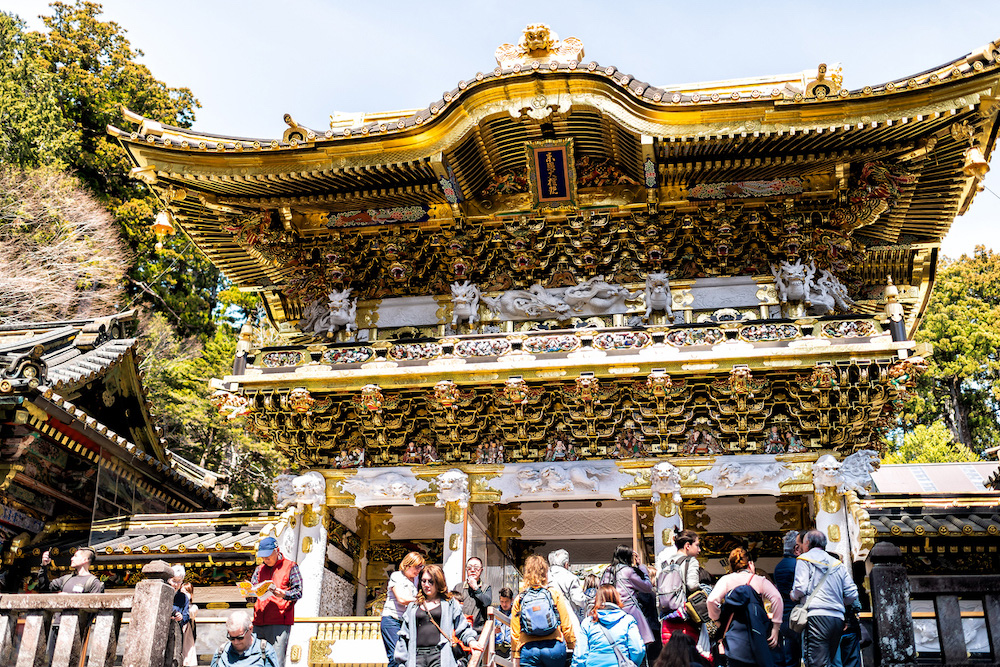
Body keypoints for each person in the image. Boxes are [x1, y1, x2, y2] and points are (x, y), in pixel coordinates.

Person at [791, 530, 859, 667]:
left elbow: (800, 588)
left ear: (807, 543)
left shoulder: (804, 560)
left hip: (817, 617)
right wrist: (840, 603)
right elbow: (852, 593)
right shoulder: (837, 564)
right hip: (837, 618)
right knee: (830, 660)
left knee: (816, 662)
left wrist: (793, 595)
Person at [707, 547, 782, 667]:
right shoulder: (759, 580)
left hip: (734, 640)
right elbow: (777, 598)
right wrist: (776, 627)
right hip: (757, 636)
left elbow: (711, 600)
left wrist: (717, 620)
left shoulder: (726, 580)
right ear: (750, 564)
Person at [395, 564, 480, 667]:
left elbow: (462, 626)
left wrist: (471, 641)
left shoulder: (449, 603)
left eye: (431, 581)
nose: (426, 585)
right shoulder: (413, 606)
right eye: (423, 581)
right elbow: (404, 635)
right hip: (416, 656)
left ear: (438, 582)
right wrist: (401, 662)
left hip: (440, 655)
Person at [247, 536, 302, 667]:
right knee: (255, 660)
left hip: (279, 622)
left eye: (268, 557)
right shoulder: (259, 569)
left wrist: (284, 594)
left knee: (276, 661)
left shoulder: (290, 567)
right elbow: (253, 595)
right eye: (263, 558)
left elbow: (298, 592)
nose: (265, 560)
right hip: (258, 620)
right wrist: (248, 592)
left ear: (277, 551)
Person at [512, 555, 576, 667]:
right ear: (545, 573)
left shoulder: (520, 598)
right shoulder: (553, 594)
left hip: (528, 649)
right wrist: (572, 645)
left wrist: (515, 654)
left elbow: (515, 632)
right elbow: (566, 624)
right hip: (554, 647)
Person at [601, 545, 658, 658]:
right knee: (636, 644)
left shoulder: (607, 571)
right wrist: (641, 566)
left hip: (609, 611)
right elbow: (647, 586)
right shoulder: (628, 571)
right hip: (629, 610)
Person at [571, 584, 645, 667]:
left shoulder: (588, 623)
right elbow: (638, 650)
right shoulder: (628, 620)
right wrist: (629, 663)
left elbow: (580, 655)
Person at [383, 552, 426, 667]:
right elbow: (401, 599)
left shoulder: (417, 580)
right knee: (395, 655)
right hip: (392, 618)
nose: (418, 570)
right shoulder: (397, 576)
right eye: (417, 567)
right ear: (407, 565)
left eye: (420, 567)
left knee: (407, 654)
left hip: (407, 621)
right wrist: (420, 600)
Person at [660, 530, 702, 644]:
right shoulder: (691, 561)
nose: (699, 549)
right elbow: (692, 585)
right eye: (697, 545)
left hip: (667, 617)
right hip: (685, 616)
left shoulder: (664, 563)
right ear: (687, 545)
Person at [772, 531, 802, 667]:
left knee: (790, 656)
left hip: (785, 615)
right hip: (799, 614)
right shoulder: (798, 565)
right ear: (796, 548)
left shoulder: (779, 567)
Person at [211, 609, 278, 667]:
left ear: (250, 629)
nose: (236, 642)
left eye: (240, 638)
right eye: (232, 638)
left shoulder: (265, 651)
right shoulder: (221, 652)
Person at [548, 549, 586, 645]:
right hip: (568, 619)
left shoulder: (544, 576)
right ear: (566, 564)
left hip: (547, 621)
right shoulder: (570, 577)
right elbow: (579, 600)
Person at [37, 546, 104, 593]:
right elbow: (45, 589)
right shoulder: (66, 579)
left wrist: (68, 599)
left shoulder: (93, 582)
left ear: (85, 560)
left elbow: (94, 606)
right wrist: (44, 566)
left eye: (75, 556)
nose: (72, 558)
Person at [452, 557, 492, 633]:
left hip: (478, 630)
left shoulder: (486, 587)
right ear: (466, 570)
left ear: (481, 570)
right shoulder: (458, 587)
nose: (473, 570)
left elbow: (487, 602)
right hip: (459, 629)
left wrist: (476, 588)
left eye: (476, 567)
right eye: (469, 567)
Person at [181, 581, 199, 667]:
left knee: (187, 657)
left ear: (191, 595)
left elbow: (191, 614)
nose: (184, 594)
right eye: (182, 592)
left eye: (187, 592)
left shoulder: (193, 607)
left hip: (187, 634)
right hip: (178, 632)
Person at [496, 587, 514, 659]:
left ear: (511, 600)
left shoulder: (516, 613)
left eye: (506, 601)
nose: (504, 604)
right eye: (502, 601)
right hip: (498, 648)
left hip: (511, 648)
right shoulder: (495, 613)